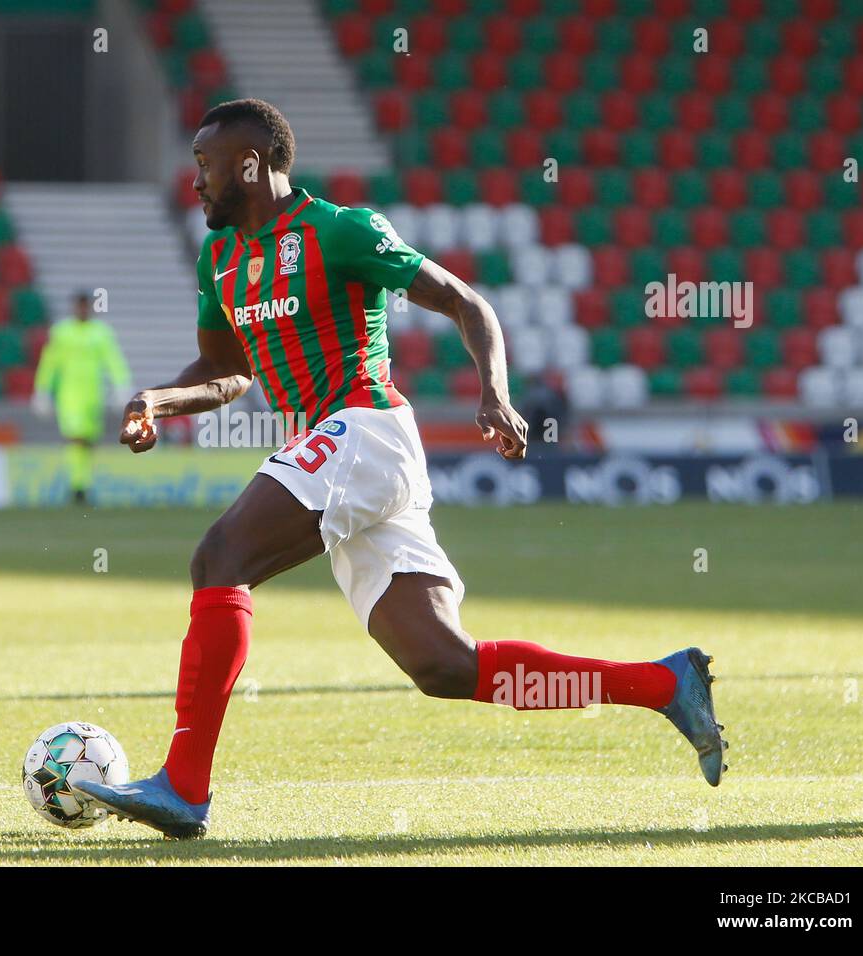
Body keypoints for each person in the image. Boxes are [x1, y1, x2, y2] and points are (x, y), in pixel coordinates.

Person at [72, 100, 727, 838]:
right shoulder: (218, 257)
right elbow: (228, 371)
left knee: (220, 559)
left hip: (365, 428)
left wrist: (495, 394)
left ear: (250, 164)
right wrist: (156, 400)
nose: (192, 181)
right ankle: (666, 683)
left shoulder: (343, 231)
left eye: (203, 163)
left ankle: (183, 788)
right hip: (341, 457)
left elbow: (465, 303)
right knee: (445, 665)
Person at [32, 291, 131, 505]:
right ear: (74, 307)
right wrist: (42, 390)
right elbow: (50, 363)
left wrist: (121, 385)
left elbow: (113, 360)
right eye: (79, 306)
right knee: (75, 437)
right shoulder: (61, 332)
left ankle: (82, 485)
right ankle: (77, 486)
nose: (83, 310)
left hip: (93, 395)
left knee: (87, 441)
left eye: (86, 306)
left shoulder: (101, 332)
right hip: (68, 395)